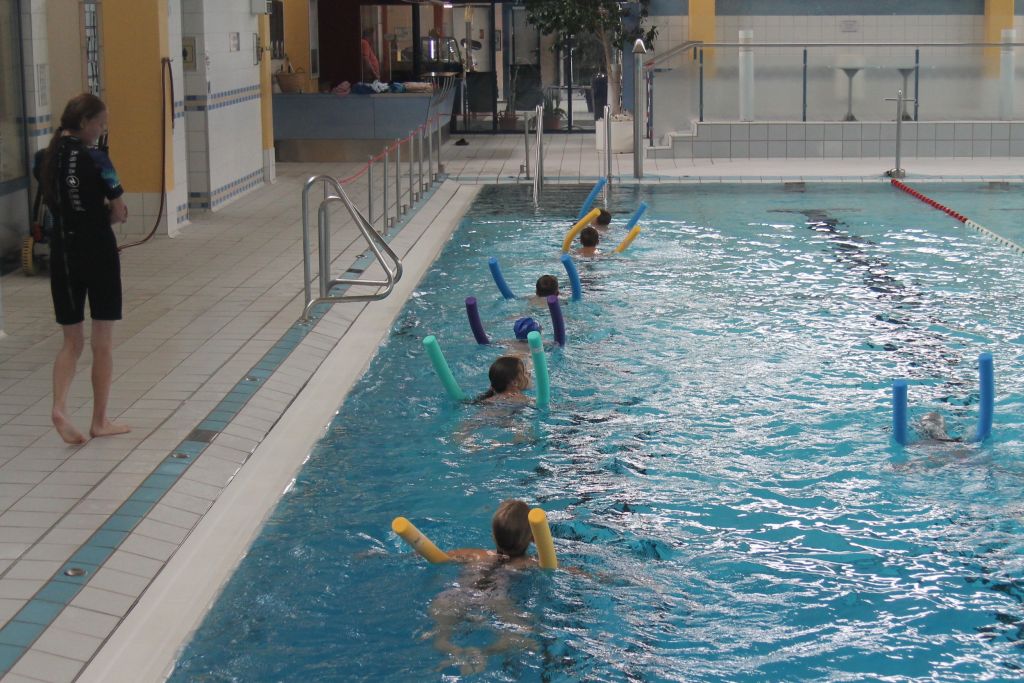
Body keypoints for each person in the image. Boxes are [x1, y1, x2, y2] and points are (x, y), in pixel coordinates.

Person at [41, 93, 130, 445]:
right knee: (102, 342)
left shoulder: (46, 159)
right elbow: (118, 211)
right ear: (84, 123)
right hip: (97, 250)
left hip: (62, 251)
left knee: (71, 341)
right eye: (100, 123)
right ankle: (100, 420)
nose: (103, 128)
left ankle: (60, 406)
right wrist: (107, 212)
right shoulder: (97, 158)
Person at [429, 500, 541, 674]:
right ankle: (485, 652)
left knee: (441, 637)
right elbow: (570, 571)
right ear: (533, 538)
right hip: (496, 599)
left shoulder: (474, 554)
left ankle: (454, 650)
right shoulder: (529, 563)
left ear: (493, 536)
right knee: (518, 635)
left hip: (457, 594)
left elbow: (436, 556)